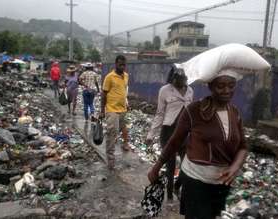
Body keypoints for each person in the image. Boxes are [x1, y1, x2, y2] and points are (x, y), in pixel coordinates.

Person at [148, 69, 248, 219]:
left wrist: (235, 167)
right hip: (196, 182)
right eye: (220, 86)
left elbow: (243, 147)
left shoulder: (235, 113)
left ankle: (175, 188)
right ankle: (171, 191)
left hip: (221, 185)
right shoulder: (194, 110)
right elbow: (174, 141)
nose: (227, 90)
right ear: (211, 86)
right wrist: (156, 167)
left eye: (231, 85)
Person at [146, 65, 194, 202]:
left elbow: (190, 113)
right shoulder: (165, 91)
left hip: (184, 133)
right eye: (179, 78)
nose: (182, 81)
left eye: (184, 78)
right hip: (168, 132)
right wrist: (151, 135)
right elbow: (160, 114)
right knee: (170, 165)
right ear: (173, 78)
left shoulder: (190, 91)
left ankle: (177, 186)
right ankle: (169, 197)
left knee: (187, 164)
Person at [100, 55, 130, 170]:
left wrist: (126, 103)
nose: (122, 67)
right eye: (120, 64)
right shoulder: (109, 77)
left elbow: (124, 91)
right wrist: (102, 111)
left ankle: (125, 144)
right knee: (111, 134)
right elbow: (104, 94)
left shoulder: (126, 76)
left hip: (123, 110)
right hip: (112, 110)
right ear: (116, 64)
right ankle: (111, 160)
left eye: (124, 65)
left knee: (122, 130)